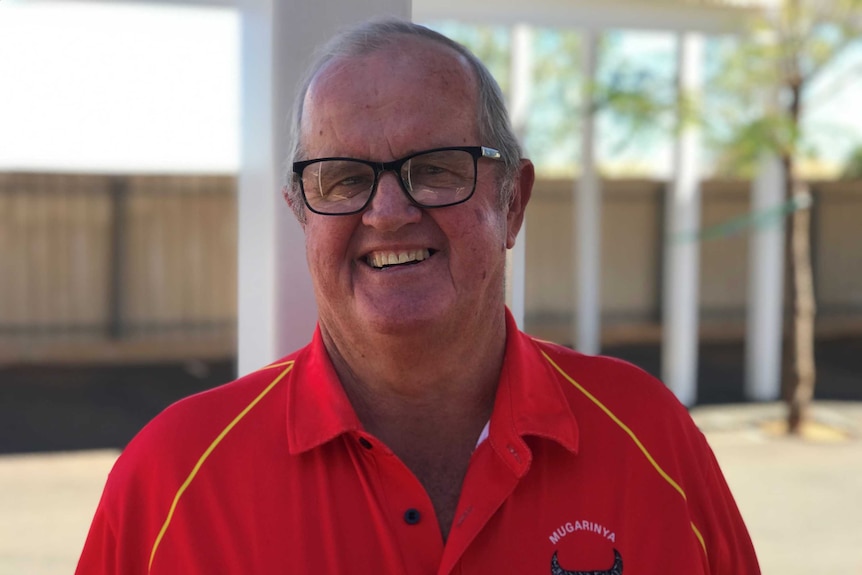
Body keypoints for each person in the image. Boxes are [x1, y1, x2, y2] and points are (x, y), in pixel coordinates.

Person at [76, 18, 760, 575]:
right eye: (344, 178)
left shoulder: (651, 440)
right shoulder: (172, 478)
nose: (389, 210)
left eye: (434, 169)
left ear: (513, 202)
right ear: (301, 212)